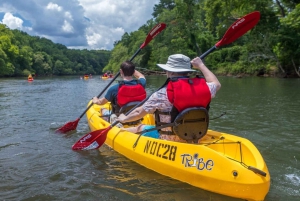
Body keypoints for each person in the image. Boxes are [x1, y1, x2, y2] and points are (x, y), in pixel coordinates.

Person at [116, 54, 221, 142]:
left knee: (141, 127)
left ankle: (117, 131)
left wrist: (124, 118)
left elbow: (139, 113)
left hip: (169, 139)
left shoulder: (162, 93)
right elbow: (216, 84)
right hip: (195, 136)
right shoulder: (203, 88)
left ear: (170, 72)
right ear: (187, 71)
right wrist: (201, 65)